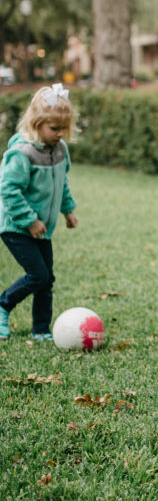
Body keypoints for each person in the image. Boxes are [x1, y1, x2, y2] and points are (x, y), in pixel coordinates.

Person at [0, 84, 78, 341]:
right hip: (16, 227)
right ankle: (3, 305)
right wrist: (29, 220)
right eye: (54, 129)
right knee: (38, 275)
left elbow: (61, 182)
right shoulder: (22, 153)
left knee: (47, 279)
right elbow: (9, 190)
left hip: (42, 227)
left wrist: (68, 210)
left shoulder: (60, 150)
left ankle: (41, 329)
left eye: (63, 128)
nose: (60, 134)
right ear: (36, 124)